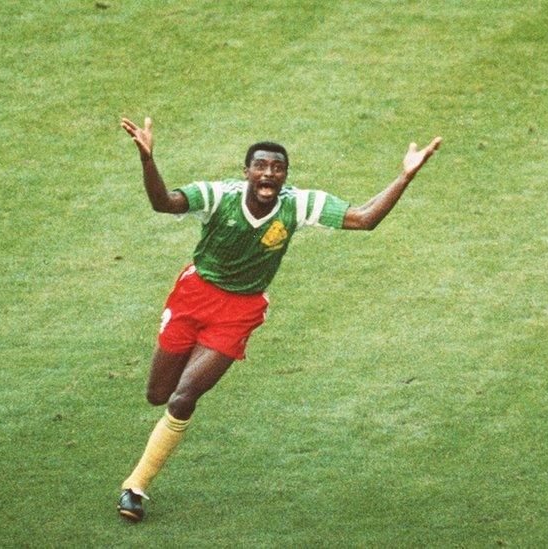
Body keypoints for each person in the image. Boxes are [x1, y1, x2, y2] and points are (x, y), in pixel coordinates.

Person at [116, 117, 441, 522]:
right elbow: (162, 202)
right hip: (193, 298)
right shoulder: (218, 196)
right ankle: (141, 472)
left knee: (184, 397)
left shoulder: (297, 204)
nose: (269, 173)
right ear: (247, 172)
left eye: (277, 168)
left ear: (285, 176)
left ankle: (135, 487)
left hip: (239, 312)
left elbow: (365, 218)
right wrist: (147, 157)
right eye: (261, 166)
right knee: (157, 394)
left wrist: (405, 176)